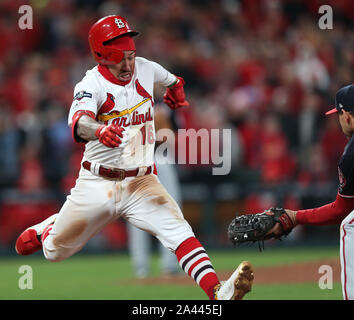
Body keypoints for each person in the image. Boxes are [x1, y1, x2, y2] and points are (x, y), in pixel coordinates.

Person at [14, 15, 254, 300]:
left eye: (131, 56)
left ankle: (217, 291)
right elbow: (79, 122)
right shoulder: (90, 83)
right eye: (120, 59)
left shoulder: (145, 68)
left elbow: (174, 80)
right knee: (54, 252)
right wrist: (100, 129)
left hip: (141, 180)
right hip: (98, 183)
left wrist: (176, 93)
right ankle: (49, 228)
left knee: (179, 231)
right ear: (101, 55)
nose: (128, 65)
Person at [269, 83, 354, 300]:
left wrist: (296, 217)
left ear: (347, 116)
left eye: (338, 114)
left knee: (349, 226)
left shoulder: (350, 156)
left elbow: (341, 210)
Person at [127, 107, 180, 278]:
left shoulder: (129, 103)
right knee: (169, 213)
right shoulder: (161, 108)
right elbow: (170, 137)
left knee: (137, 213)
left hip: (138, 161)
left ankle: (143, 267)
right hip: (153, 159)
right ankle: (167, 266)